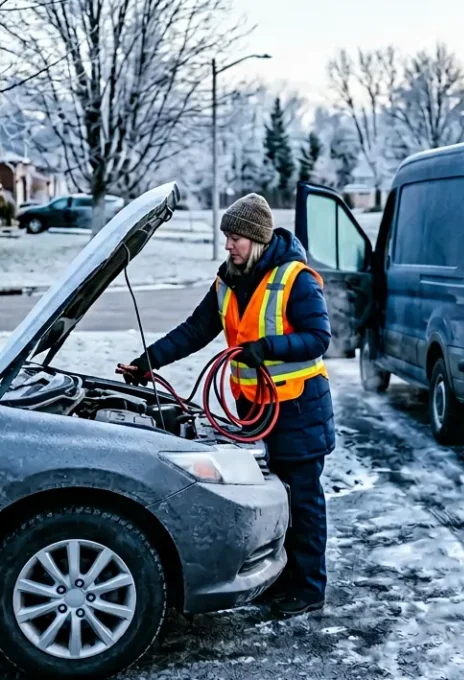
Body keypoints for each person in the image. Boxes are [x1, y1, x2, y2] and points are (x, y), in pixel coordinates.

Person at [119, 193, 335, 618]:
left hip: (298, 408)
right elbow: (195, 330)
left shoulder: (296, 279)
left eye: (234, 238)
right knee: (277, 499)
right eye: (226, 237)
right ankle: (284, 581)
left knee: (304, 500)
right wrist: (149, 361)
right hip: (254, 412)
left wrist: (268, 348)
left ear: (256, 238)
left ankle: (309, 589)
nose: (228, 246)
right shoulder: (228, 281)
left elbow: (319, 337)